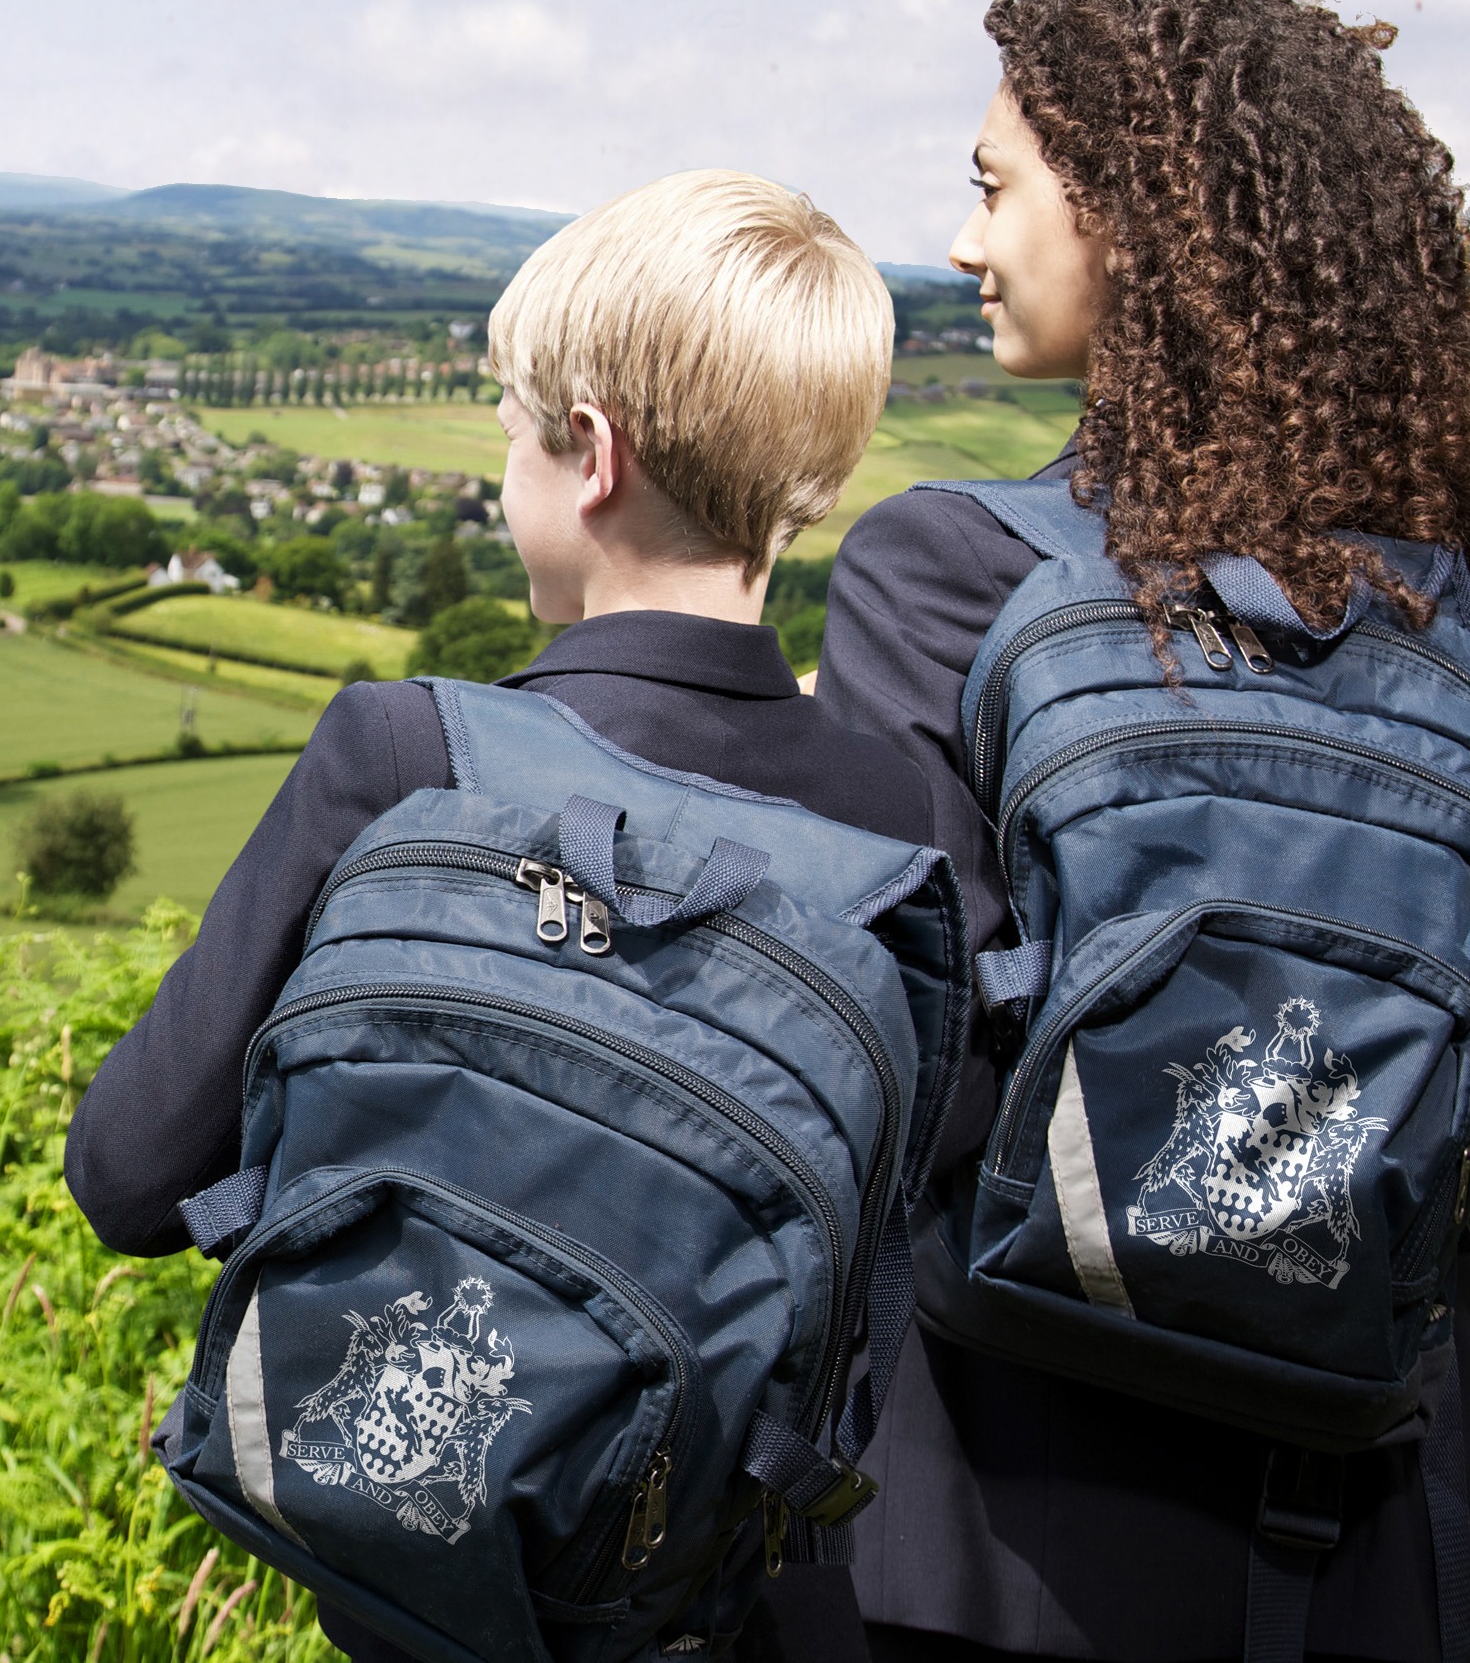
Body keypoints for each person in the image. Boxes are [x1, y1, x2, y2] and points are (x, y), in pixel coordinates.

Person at [816, 0, 1470, 1662]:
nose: (960, 242)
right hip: (1362, 1542)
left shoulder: (949, 573)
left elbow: (896, 1092)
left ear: (1137, 226)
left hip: (993, 1539)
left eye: (993, 187)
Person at [67, 168, 946, 1662]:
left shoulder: (407, 755)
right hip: (731, 1598)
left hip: (428, 1594)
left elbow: (128, 1176)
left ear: (592, 456)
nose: (501, 466)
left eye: (511, 430)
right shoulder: (892, 827)